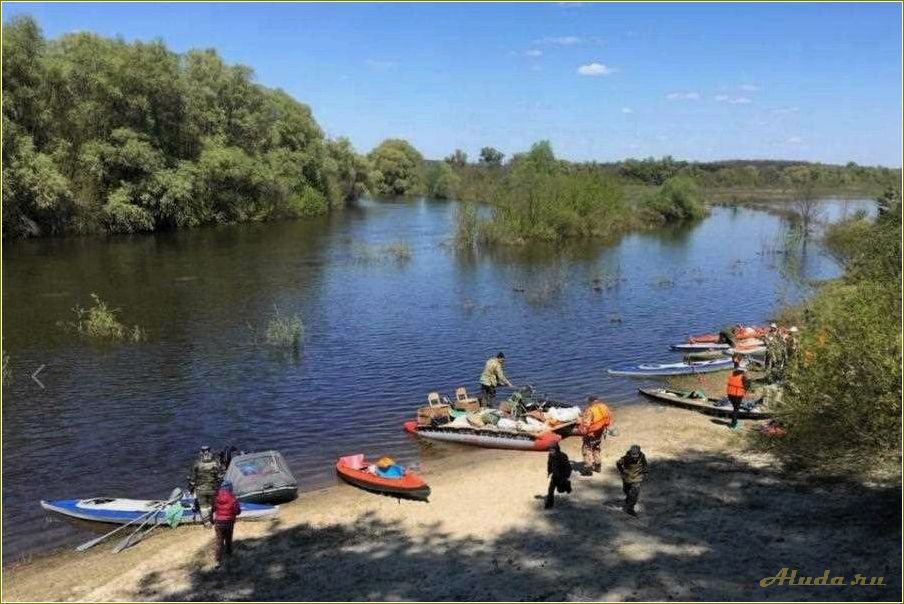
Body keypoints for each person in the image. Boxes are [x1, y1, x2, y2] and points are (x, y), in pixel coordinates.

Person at [577, 396, 612, 475]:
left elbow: (586, 424)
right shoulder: (603, 407)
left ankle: (588, 469)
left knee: (586, 450)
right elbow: (608, 417)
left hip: (591, 434)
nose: (587, 403)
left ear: (591, 402)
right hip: (600, 432)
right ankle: (598, 466)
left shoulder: (589, 410)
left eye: (588, 402)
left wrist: (579, 421)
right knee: (596, 448)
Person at [189, 445, 223, 523]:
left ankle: (207, 523)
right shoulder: (215, 463)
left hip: (200, 489)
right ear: (210, 451)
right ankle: (212, 519)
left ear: (201, 452)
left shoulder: (197, 463)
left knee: (203, 506)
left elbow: (192, 478)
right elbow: (220, 476)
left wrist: (192, 488)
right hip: (212, 488)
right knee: (211, 505)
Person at [212, 480, 241, 566]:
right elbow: (237, 511)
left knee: (219, 541)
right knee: (228, 539)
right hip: (229, 522)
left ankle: (217, 560)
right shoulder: (233, 498)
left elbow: (214, 507)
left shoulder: (216, 496)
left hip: (219, 522)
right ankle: (229, 554)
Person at [616, 445, 648, 516]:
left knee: (634, 494)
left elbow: (645, 464)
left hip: (637, 478)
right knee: (626, 490)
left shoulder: (642, 456)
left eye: (636, 455)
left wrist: (645, 472)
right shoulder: (625, 458)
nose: (634, 457)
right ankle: (628, 499)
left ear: (639, 453)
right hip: (627, 477)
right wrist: (622, 471)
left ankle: (630, 508)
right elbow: (618, 463)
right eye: (633, 455)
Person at [725, 355, 750, 430]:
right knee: (736, 409)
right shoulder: (744, 375)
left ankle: (734, 422)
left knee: (735, 408)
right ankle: (733, 425)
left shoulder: (733, 373)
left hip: (730, 393)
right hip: (737, 394)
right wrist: (745, 390)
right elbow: (747, 384)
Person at [544, 443, 572, 509]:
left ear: (556, 450)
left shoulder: (563, 456)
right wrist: (549, 472)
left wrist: (566, 476)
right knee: (550, 489)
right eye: (550, 450)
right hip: (555, 476)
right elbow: (549, 464)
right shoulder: (550, 456)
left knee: (560, 490)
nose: (551, 452)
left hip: (562, 475)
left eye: (552, 450)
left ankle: (567, 485)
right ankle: (549, 504)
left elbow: (568, 467)